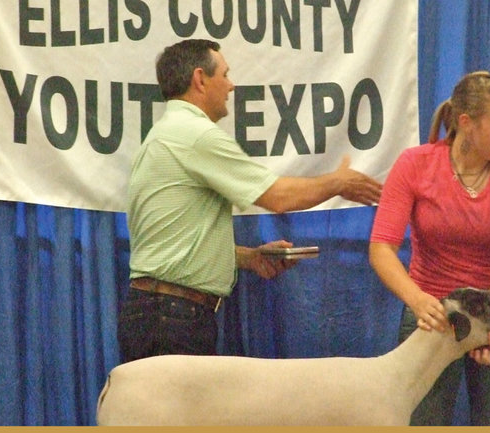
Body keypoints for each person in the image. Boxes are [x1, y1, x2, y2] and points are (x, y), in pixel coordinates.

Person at [119, 38, 382, 363]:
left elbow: (175, 245)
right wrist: (338, 182)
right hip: (173, 319)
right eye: (225, 75)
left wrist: (248, 258)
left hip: (159, 314)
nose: (231, 86)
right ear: (200, 79)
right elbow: (277, 198)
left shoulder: (161, 135)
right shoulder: (196, 136)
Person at [369, 71, 490, 425]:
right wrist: (418, 302)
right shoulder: (414, 165)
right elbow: (382, 248)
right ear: (466, 123)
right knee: (423, 421)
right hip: (431, 310)